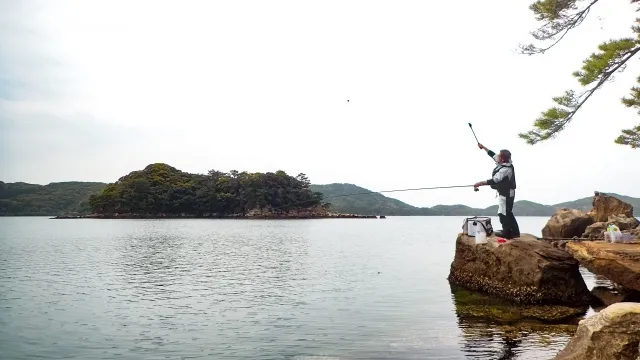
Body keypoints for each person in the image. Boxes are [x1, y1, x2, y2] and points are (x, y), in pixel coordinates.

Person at [473, 143, 520, 239]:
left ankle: (507, 232)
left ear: (502, 159)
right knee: (507, 212)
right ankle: (515, 232)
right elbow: (493, 155)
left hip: (506, 193)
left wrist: (480, 183)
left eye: (499, 156)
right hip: (507, 192)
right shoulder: (505, 162)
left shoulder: (506, 169)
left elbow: (495, 180)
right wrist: (483, 148)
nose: (497, 156)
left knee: (502, 213)